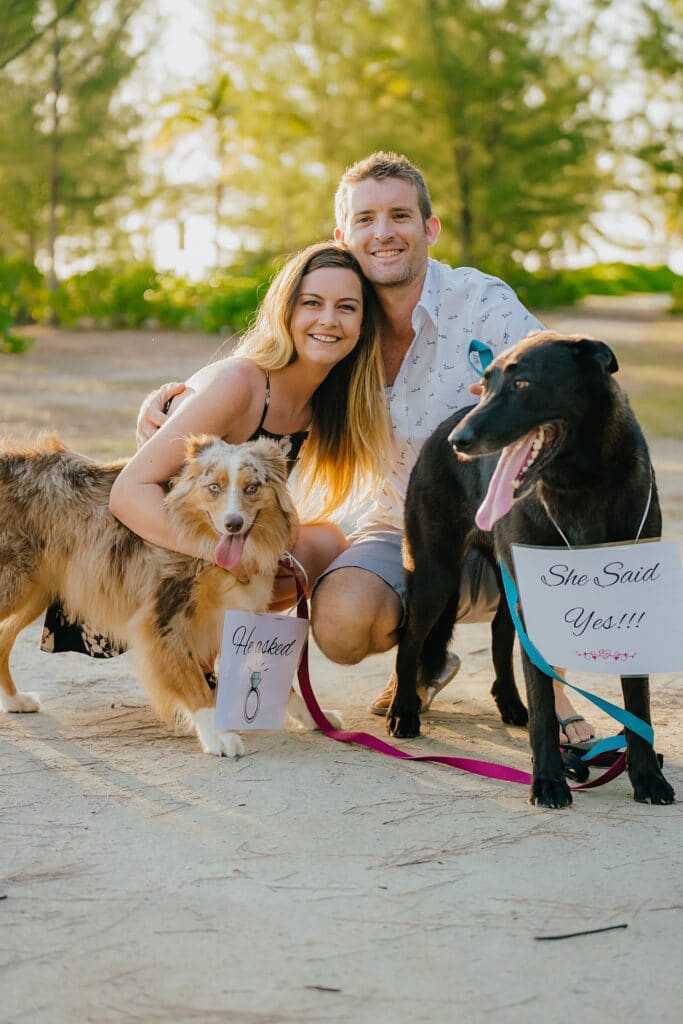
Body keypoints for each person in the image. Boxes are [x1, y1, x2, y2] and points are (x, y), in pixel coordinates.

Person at [139, 153, 596, 746]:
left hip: (506, 525)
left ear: (429, 229)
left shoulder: (483, 304)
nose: (383, 233)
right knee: (342, 624)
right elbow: (258, 374)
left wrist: (518, 395)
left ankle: (552, 692)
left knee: (550, 519)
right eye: (366, 219)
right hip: (402, 528)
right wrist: (171, 399)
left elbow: (565, 384)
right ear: (343, 236)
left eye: (400, 215)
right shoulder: (340, 327)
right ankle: (426, 660)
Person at [41, 242, 392, 662]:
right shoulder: (242, 383)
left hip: (215, 547)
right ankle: (194, 656)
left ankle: (225, 661)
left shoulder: (327, 402)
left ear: (364, 322)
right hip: (142, 563)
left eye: (347, 307)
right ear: (286, 311)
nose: (328, 320)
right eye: (311, 303)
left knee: (324, 542)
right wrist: (225, 555)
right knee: (280, 546)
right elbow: (128, 492)